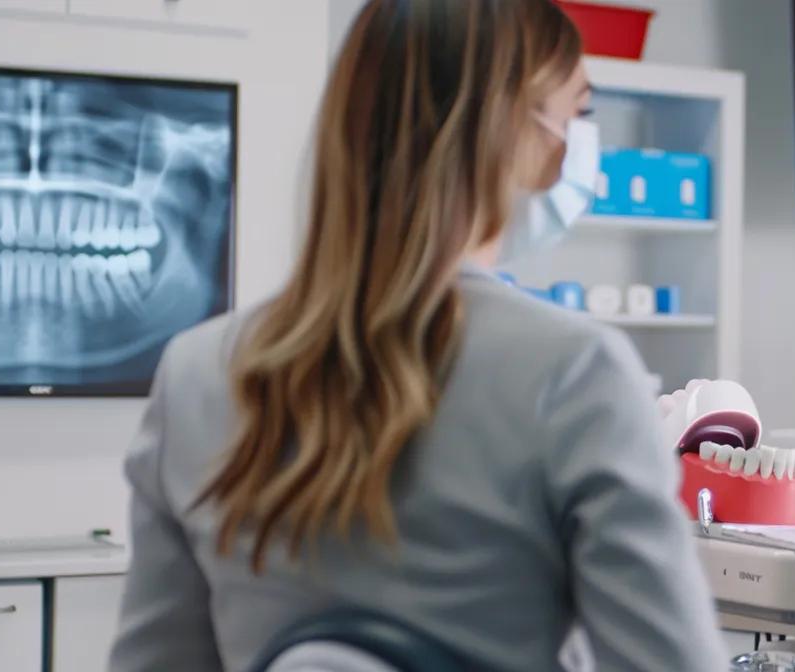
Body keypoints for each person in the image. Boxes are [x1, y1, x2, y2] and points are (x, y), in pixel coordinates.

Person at [108, 1, 725, 670]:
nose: (574, 150)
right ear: (511, 130)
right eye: (576, 116)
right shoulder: (575, 374)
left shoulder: (199, 373)